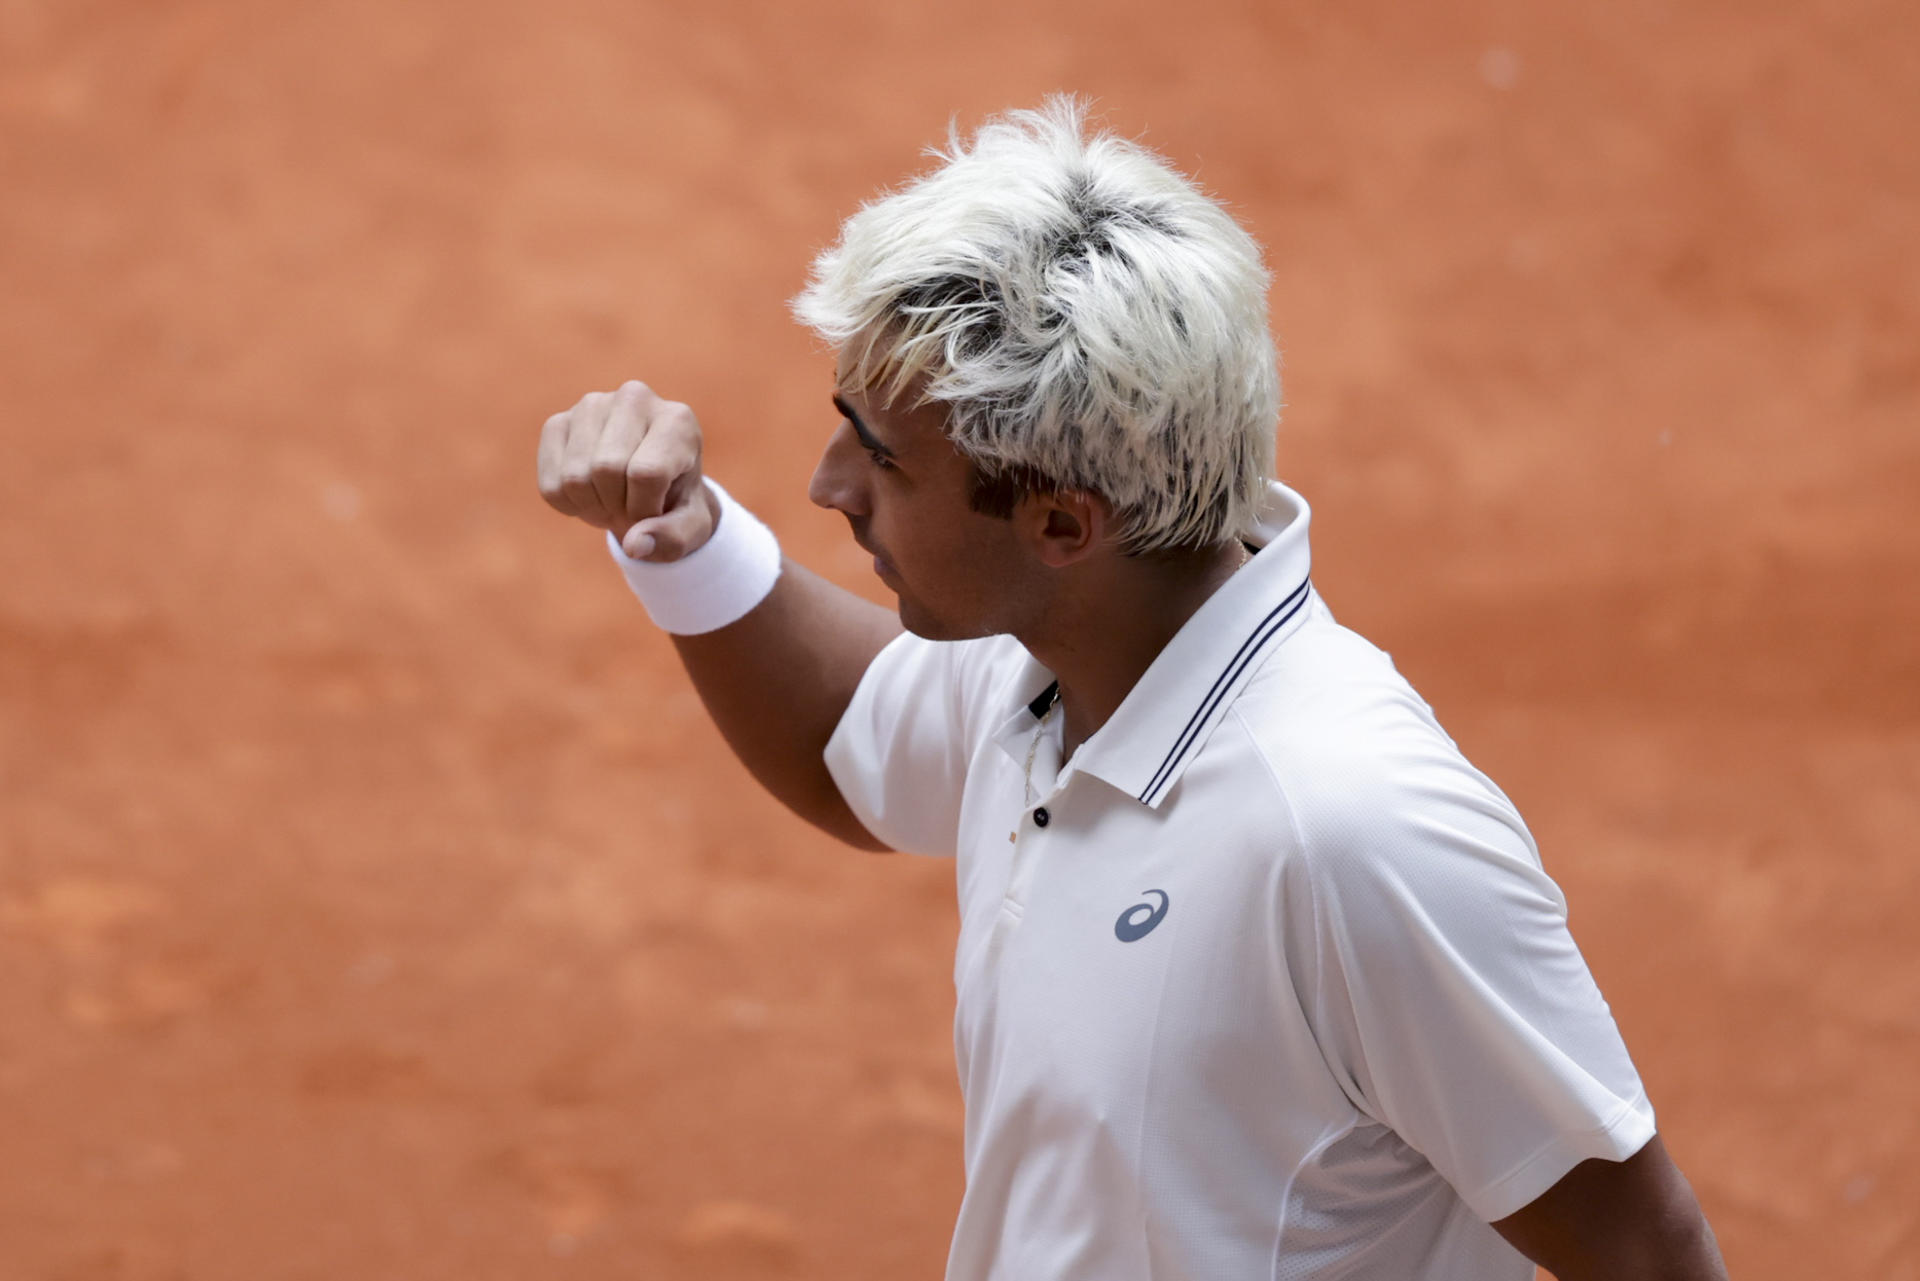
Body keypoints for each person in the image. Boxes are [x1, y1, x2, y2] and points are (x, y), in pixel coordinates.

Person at [535, 99, 1728, 1281]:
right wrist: (687, 542)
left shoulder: (1350, 833)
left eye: (883, 457)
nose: (827, 484)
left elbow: (1646, 1251)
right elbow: (849, 739)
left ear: (1061, 520)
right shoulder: (1061, 658)